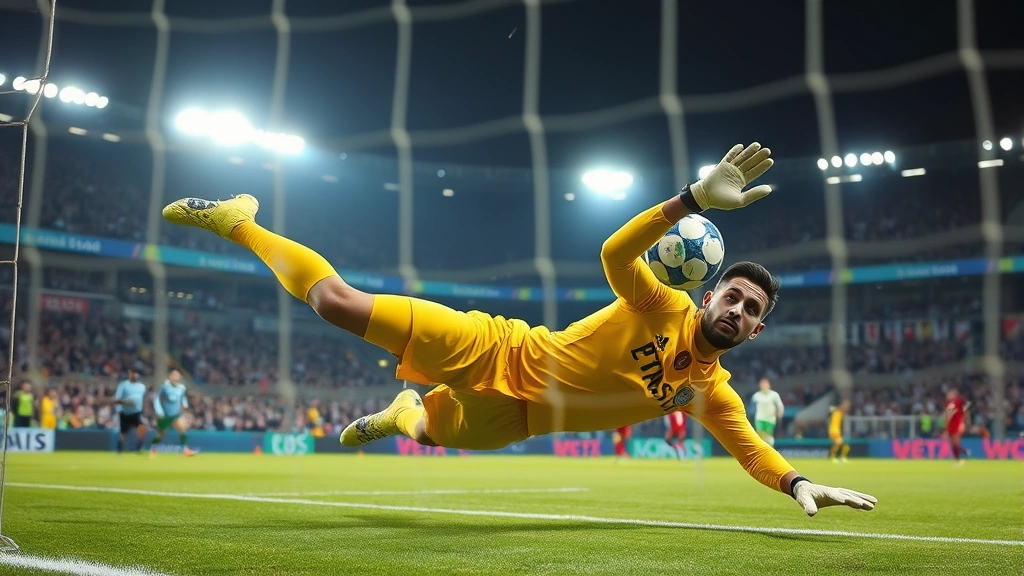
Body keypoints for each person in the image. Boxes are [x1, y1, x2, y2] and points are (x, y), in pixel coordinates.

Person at [164, 142, 876, 516]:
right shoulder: (660, 304)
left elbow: (751, 449)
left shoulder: (709, 394)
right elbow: (612, 252)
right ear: (708, 293)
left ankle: (402, 410)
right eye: (735, 296)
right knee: (337, 304)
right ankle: (240, 220)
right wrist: (687, 199)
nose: (740, 310)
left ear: (752, 333)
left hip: (519, 419)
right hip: (501, 346)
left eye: (753, 311)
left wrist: (798, 482)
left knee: (426, 433)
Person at [150, 369, 194, 457]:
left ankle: (186, 450)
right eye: (173, 375)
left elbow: (183, 398)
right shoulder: (164, 386)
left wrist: (185, 405)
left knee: (182, 429)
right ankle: (153, 448)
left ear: (179, 378)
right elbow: (156, 398)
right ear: (170, 376)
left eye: (176, 375)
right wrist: (159, 411)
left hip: (176, 414)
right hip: (165, 415)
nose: (175, 377)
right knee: (160, 434)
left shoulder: (181, 388)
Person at [113, 369, 148, 454]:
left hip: (136, 413)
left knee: (142, 428)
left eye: (137, 373)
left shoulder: (142, 386)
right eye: (134, 373)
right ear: (130, 374)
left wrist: (145, 409)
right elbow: (117, 399)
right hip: (125, 412)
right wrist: (119, 409)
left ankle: (139, 448)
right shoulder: (123, 385)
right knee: (123, 433)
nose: (135, 375)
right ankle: (119, 449)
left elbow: (144, 398)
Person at [751, 377, 784, 446]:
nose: (763, 386)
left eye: (765, 384)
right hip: (759, 418)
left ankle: (770, 449)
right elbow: (751, 407)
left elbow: (780, 406)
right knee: (760, 435)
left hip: (770, 419)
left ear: (769, 385)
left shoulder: (774, 395)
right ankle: (761, 451)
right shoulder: (756, 396)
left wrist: (779, 415)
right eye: (762, 384)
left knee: (768, 436)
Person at [943, 388, 969, 466]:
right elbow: (964, 410)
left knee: (955, 443)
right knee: (953, 444)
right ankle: (959, 459)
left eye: (950, 394)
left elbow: (948, 416)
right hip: (954, 425)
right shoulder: (955, 403)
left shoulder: (953, 403)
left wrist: (946, 428)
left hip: (954, 425)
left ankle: (965, 453)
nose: (948, 396)